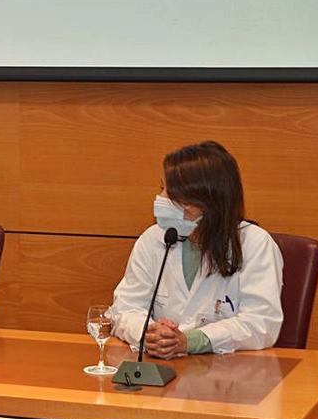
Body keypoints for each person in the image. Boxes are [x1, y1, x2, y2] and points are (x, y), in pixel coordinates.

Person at [107, 141, 283, 358]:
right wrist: (150, 333)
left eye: (172, 194)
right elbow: (124, 309)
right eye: (162, 188)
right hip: (162, 370)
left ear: (207, 202)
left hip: (228, 379)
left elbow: (261, 323)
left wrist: (191, 341)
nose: (161, 199)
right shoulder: (154, 239)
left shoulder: (255, 244)